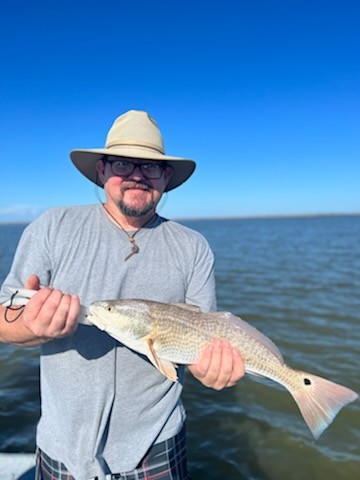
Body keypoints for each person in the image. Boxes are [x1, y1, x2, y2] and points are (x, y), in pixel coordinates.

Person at [0, 110, 244, 480]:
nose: (136, 175)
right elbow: (5, 319)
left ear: (166, 177)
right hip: (61, 445)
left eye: (150, 167)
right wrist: (32, 326)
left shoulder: (194, 247)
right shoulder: (53, 226)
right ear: (101, 171)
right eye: (122, 163)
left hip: (156, 443)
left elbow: (198, 343)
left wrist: (212, 370)